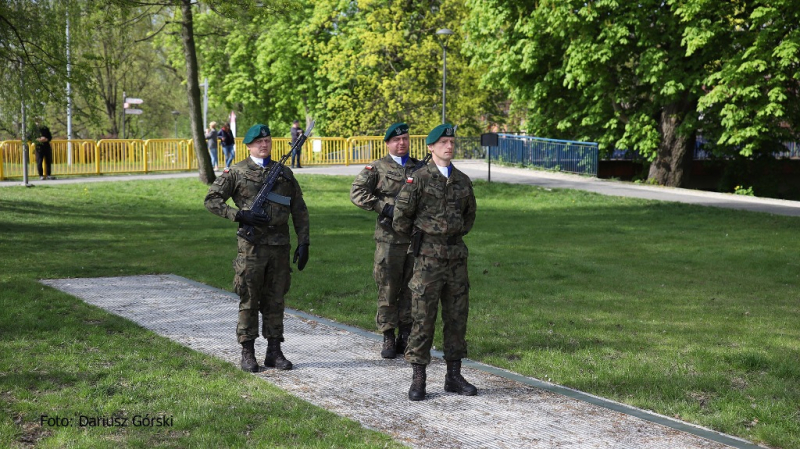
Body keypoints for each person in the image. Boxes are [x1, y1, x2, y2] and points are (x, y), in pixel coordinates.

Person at [204, 123, 310, 373]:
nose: (264, 145)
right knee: (249, 298)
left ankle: (274, 350)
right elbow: (211, 200)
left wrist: (304, 241)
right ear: (249, 145)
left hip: (280, 247)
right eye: (259, 142)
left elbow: (299, 209)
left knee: (276, 300)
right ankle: (247, 351)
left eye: (268, 141)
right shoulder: (237, 172)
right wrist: (240, 215)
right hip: (252, 248)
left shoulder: (283, 172)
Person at [393, 123, 478, 401]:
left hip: (455, 259)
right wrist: (425, 239)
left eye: (452, 141)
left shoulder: (463, 180)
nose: (449, 146)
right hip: (427, 259)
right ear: (430, 147)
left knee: (456, 318)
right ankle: (419, 379)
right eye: (443, 142)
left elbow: (469, 218)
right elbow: (401, 218)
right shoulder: (418, 179)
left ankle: (453, 376)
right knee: (422, 318)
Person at [350, 123, 417, 359]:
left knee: (411, 289)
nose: (402, 143)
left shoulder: (420, 168)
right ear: (388, 143)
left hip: (413, 241)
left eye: (405, 139)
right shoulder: (377, 168)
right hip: (388, 240)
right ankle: (388, 335)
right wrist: (384, 208)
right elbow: (357, 192)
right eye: (397, 140)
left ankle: (406, 335)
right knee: (387, 288)